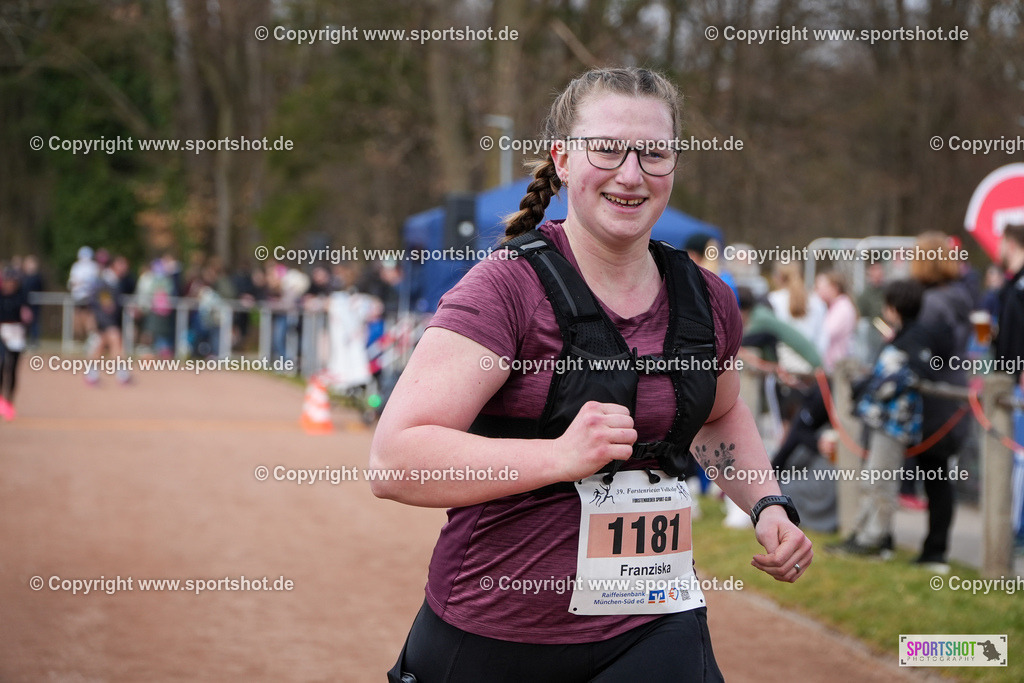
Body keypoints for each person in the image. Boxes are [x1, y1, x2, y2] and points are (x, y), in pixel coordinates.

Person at [370, 67, 812, 682]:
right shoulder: (506, 289)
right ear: (564, 159)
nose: (631, 175)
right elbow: (396, 461)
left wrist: (766, 504)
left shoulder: (706, 298)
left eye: (654, 153)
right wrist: (560, 456)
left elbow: (720, 413)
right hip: (498, 627)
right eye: (606, 149)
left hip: (654, 624)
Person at [827, 279, 934, 558]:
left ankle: (874, 539)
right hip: (881, 421)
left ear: (895, 308)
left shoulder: (915, 338)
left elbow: (913, 374)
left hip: (894, 424)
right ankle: (867, 533)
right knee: (872, 479)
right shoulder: (900, 336)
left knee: (881, 481)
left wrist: (878, 384)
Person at [909, 232, 973, 571]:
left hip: (939, 401)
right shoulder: (957, 296)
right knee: (936, 476)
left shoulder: (935, 303)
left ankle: (936, 551)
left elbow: (925, 345)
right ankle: (933, 548)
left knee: (935, 476)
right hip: (952, 393)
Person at [0, 268, 33, 420]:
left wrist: (26, 320)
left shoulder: (21, 298)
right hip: (2, 332)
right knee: (2, 365)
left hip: (16, 333)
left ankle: (9, 401)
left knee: (12, 369)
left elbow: (27, 318)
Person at [814, 270, 858, 372]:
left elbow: (826, 333)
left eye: (820, 287)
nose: (817, 291)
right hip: (833, 364)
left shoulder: (842, 307)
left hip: (836, 366)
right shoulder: (833, 307)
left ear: (834, 288)